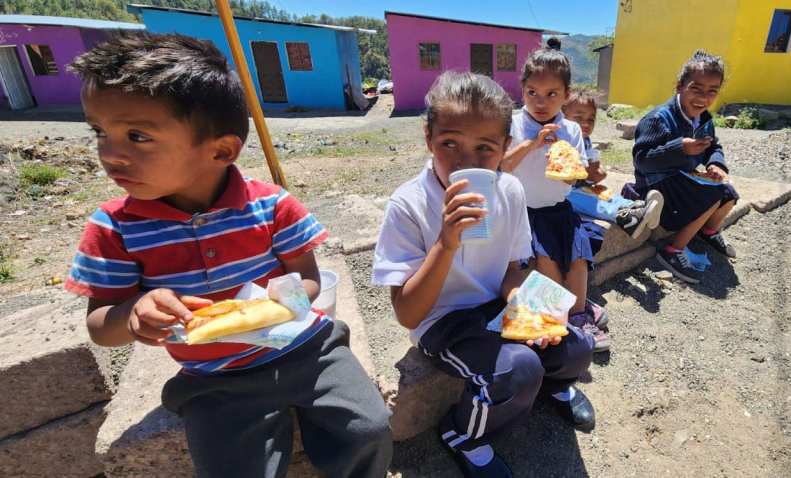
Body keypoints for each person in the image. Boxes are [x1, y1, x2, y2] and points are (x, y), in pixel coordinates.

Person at [64, 32, 391, 477]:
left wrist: (281, 304)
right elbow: (101, 327)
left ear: (221, 150)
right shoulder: (115, 227)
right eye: (100, 132)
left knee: (368, 429)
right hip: (213, 376)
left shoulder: (272, 205)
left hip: (305, 348)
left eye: (137, 136)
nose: (110, 153)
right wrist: (135, 314)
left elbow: (310, 280)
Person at [372, 71, 595, 478]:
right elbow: (408, 313)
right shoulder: (408, 204)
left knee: (576, 341)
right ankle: (463, 435)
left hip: (495, 304)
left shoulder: (509, 191)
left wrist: (535, 309)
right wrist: (446, 242)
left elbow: (512, 271)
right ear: (428, 139)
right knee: (519, 368)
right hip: (443, 322)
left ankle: (554, 386)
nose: (465, 163)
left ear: (505, 148)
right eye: (449, 144)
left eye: (485, 149)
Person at [502, 48, 610, 352]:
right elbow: (503, 165)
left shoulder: (571, 129)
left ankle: (580, 315)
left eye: (551, 94)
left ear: (566, 95)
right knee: (547, 262)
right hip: (525, 213)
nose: (540, 101)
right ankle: (560, 314)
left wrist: (568, 163)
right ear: (522, 90)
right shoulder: (514, 124)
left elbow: (571, 179)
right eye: (532, 92)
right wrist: (532, 144)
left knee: (578, 259)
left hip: (560, 210)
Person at [632, 50, 740, 284]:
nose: (703, 97)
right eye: (696, 88)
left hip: (683, 180)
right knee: (712, 196)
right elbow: (642, 159)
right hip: (656, 185)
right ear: (679, 86)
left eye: (712, 91)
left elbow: (713, 146)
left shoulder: (704, 119)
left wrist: (715, 163)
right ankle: (672, 250)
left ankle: (707, 232)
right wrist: (679, 148)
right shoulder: (658, 119)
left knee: (729, 193)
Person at [562, 88, 664, 241]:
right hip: (563, 193)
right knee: (591, 202)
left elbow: (590, 171)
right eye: (579, 118)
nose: (586, 124)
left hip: (580, 185)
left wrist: (596, 175)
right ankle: (626, 217)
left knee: (606, 194)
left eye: (591, 119)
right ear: (562, 117)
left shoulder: (586, 140)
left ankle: (638, 208)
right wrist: (585, 173)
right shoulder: (561, 142)